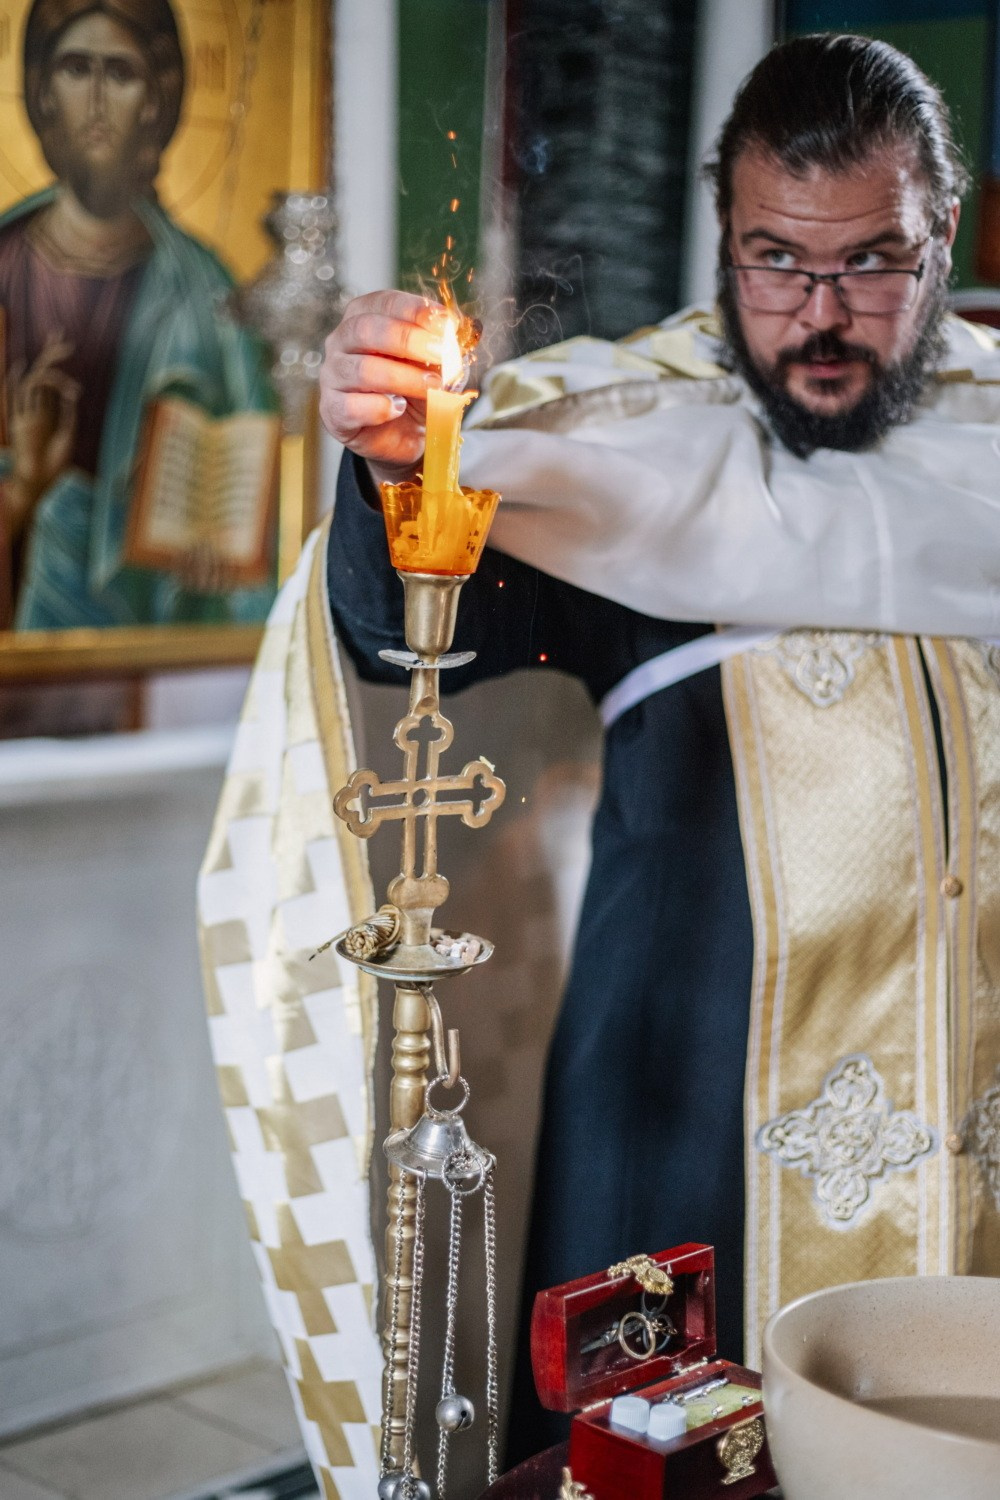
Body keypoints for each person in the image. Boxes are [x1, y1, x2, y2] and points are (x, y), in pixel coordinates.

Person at [319, 34, 1000, 1459]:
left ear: (945, 232)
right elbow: (416, 631)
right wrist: (396, 455)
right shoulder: (626, 443)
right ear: (724, 240)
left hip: (971, 1110)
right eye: (774, 262)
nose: (819, 316)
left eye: (871, 262)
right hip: (685, 1115)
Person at [0, 0, 277, 629]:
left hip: (151, 643)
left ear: (155, 99)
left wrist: (220, 564)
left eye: (119, 74)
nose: (97, 100)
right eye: (76, 70)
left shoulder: (204, 288)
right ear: (41, 93)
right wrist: (22, 496)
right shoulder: (2, 262)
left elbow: (242, 492)